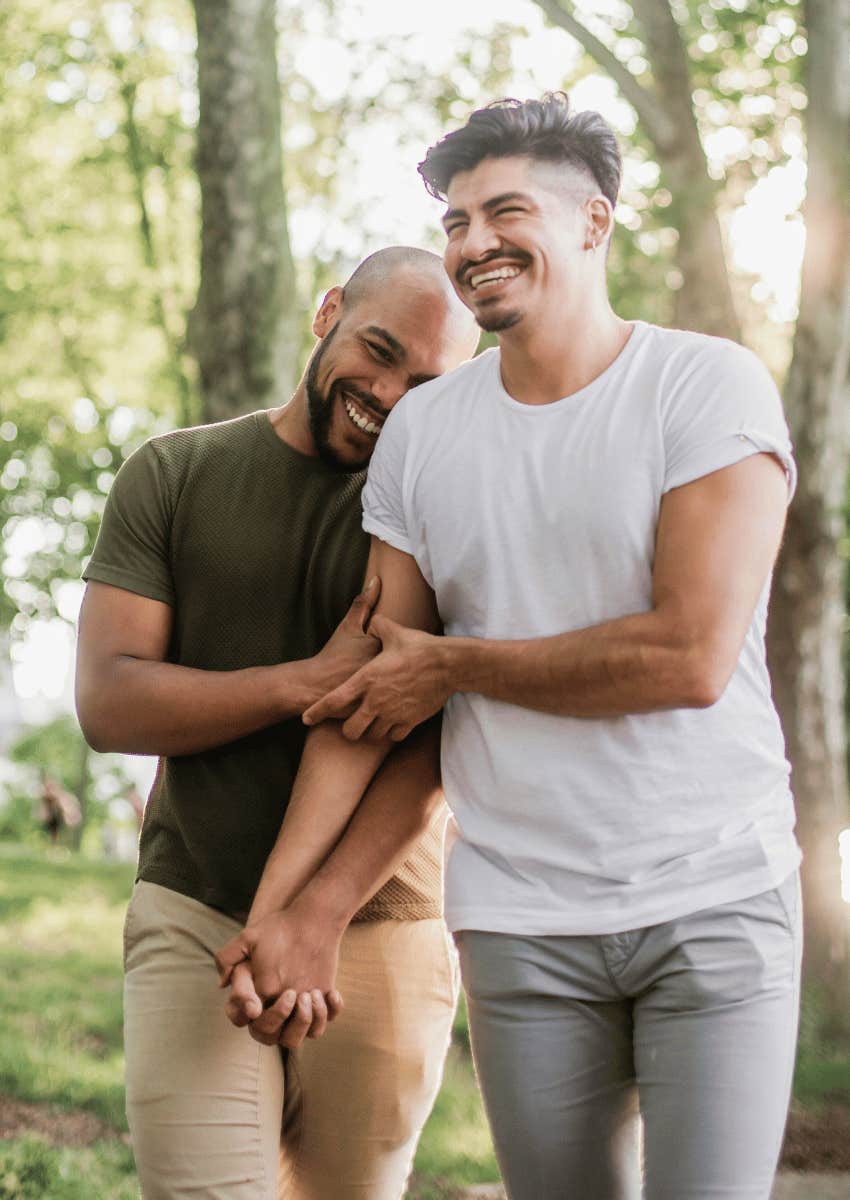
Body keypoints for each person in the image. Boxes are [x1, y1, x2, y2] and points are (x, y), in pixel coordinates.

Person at [223, 96, 802, 1200]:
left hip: (714, 899)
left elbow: (687, 656)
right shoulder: (429, 433)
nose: (473, 243)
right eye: (455, 220)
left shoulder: (704, 386)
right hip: (517, 920)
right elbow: (373, 696)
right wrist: (284, 915)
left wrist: (459, 665)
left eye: (505, 211)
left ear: (593, 223)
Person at [75, 245, 479, 1200]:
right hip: (193, 905)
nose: (386, 394)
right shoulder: (174, 474)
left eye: (426, 385)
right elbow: (110, 701)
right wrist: (305, 680)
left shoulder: (451, 513)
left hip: (381, 921)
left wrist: (316, 913)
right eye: (375, 350)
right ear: (327, 311)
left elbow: (435, 742)